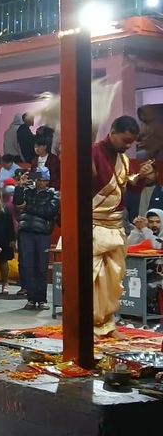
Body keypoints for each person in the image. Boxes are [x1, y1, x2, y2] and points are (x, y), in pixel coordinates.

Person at [91, 116, 154, 336]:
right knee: (94, 280)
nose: (128, 146)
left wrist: (142, 177)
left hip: (116, 227)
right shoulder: (93, 153)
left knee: (113, 281)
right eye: (125, 140)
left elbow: (126, 190)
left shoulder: (124, 160)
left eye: (131, 143)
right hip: (93, 227)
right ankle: (91, 326)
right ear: (113, 132)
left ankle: (107, 324)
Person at [14, 167, 60, 310]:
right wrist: (19, 186)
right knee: (28, 266)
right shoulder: (28, 192)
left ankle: (41, 299)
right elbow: (17, 202)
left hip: (42, 234)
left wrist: (27, 207)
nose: (39, 183)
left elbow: (48, 212)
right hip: (26, 232)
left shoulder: (53, 195)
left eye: (42, 180)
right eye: (38, 179)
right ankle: (31, 298)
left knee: (41, 267)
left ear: (47, 181)